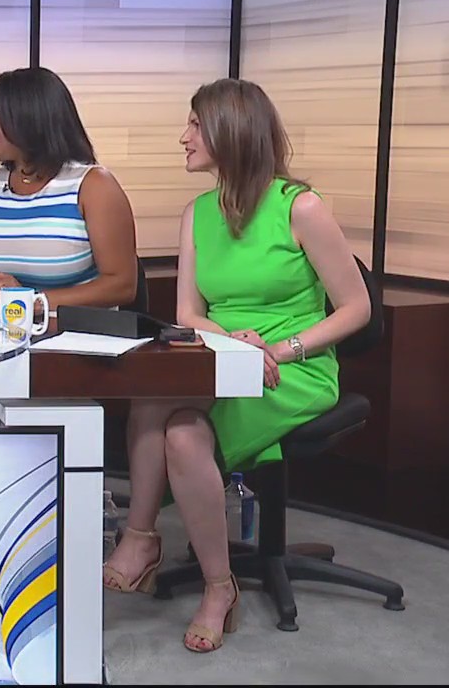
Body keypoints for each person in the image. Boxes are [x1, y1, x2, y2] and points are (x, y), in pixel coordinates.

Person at [103, 78, 371, 653]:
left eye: (195, 125)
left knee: (182, 433)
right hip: (226, 356)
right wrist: (234, 345)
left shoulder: (300, 207)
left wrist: (276, 349)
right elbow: (189, 315)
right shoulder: (196, 214)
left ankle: (206, 583)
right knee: (155, 397)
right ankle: (154, 545)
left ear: (232, 132)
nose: (184, 137)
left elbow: (357, 308)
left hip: (295, 366)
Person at [0, 67, 137, 310]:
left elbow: (122, 285)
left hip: (69, 333)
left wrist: (33, 302)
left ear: (30, 120)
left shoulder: (93, 186)